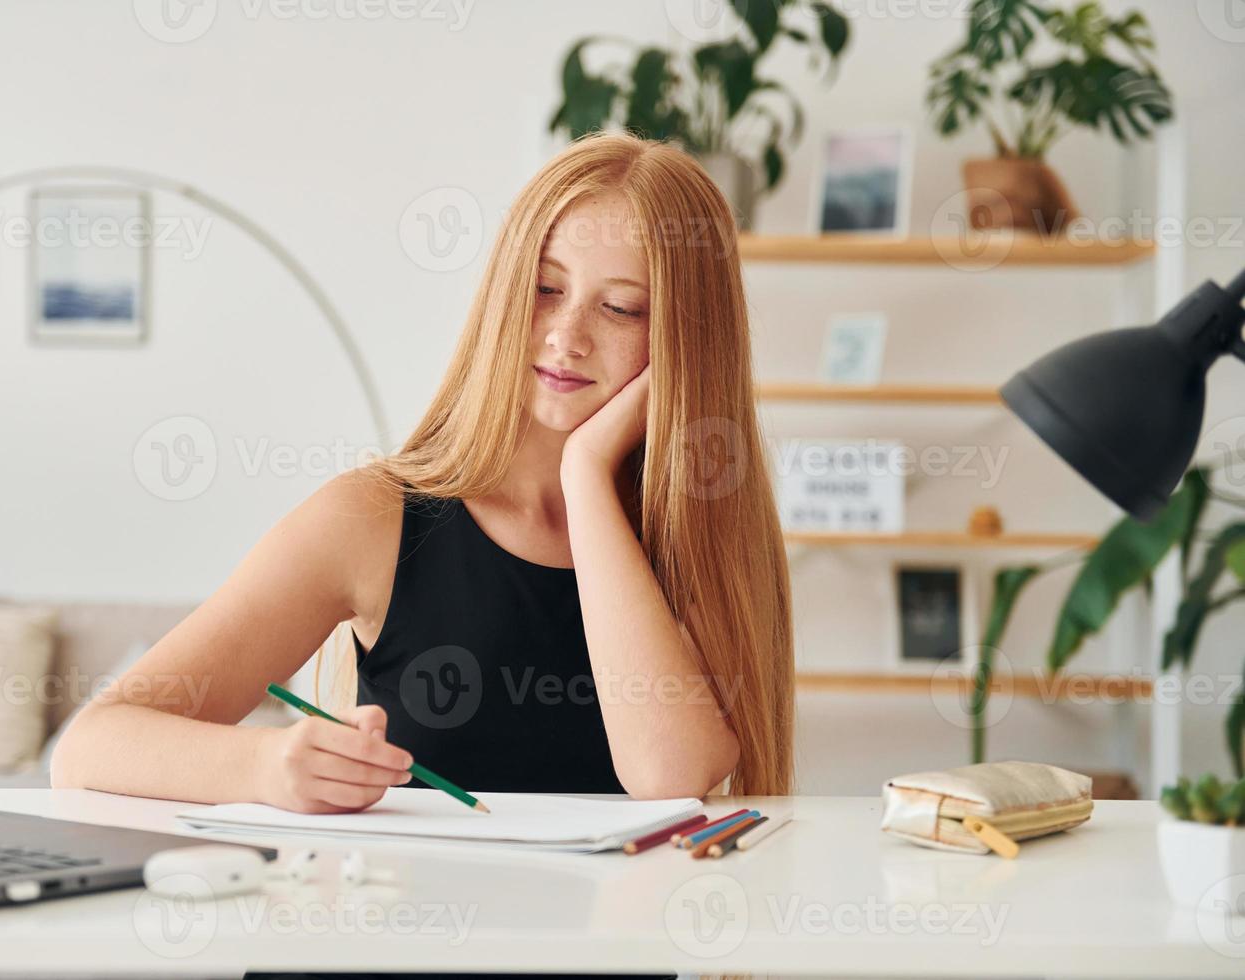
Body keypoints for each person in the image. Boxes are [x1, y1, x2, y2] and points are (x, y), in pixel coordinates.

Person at [52, 131, 793, 975]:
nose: (565, 335)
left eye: (620, 308)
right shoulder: (373, 517)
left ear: (686, 347)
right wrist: (266, 766)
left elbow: (669, 773)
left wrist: (588, 478)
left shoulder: (695, 542)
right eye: (545, 290)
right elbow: (91, 747)